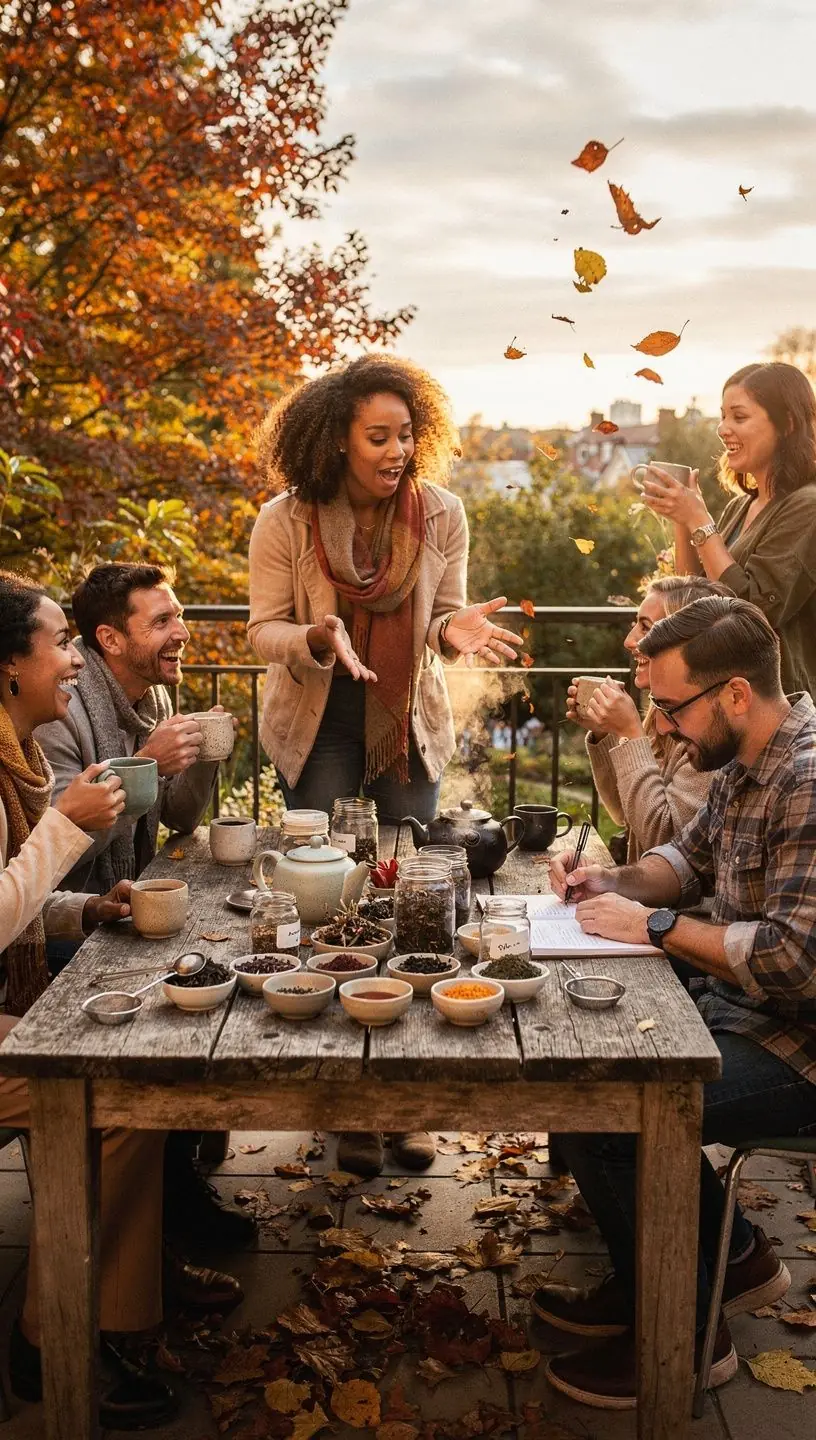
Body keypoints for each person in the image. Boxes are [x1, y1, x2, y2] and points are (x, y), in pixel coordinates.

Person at [532, 596, 816, 1410]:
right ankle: (732, 1263)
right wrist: (611, 880)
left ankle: (687, 1337)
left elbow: (796, 963)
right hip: (744, 1008)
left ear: (732, 694)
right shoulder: (747, 762)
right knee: (577, 1061)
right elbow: (680, 861)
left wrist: (654, 926)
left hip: (800, 1042)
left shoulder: (806, 778)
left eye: (670, 707)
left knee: (615, 1107)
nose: (662, 726)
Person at [248, 353, 521, 1178]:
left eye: (406, 434)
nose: (396, 450)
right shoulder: (285, 521)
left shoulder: (440, 515)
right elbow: (263, 629)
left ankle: (404, 1104)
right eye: (378, 436)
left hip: (402, 726)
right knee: (329, 908)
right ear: (336, 440)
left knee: (414, 907)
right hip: (318, 720)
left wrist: (452, 633)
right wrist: (313, 638)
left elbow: (441, 620)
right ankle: (344, 1114)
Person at [35, 562, 255, 1251]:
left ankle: (178, 1158)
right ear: (111, 638)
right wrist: (148, 767)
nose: (182, 632)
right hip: (59, 920)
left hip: (118, 903)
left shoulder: (153, 703)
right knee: (189, 986)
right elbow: (54, 851)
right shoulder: (60, 713)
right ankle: (170, 1195)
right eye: (161, 621)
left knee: (220, 955)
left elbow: (182, 820)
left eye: (179, 615)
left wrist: (205, 755)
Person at [0, 568, 176, 1426]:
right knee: (116, 1091)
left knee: (138, 1077)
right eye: (58, 644)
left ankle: (118, 1309)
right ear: (9, 670)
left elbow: (15, 895)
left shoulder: (14, 753)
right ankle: (51, 1337)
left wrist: (84, 906)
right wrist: (67, 828)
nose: (71, 659)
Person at [641, 361, 816, 695]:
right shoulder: (741, 507)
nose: (722, 428)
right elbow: (694, 601)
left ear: (787, 424)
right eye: (722, 416)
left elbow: (755, 612)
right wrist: (683, 518)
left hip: (783, 704)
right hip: (731, 700)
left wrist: (699, 520)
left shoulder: (807, 506)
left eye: (739, 416)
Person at [569, 575, 734, 863]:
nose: (629, 640)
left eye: (646, 627)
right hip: (645, 897)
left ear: (687, 642)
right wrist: (607, 732)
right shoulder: (661, 712)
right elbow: (625, 812)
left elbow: (667, 841)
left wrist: (630, 733)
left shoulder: (709, 728)